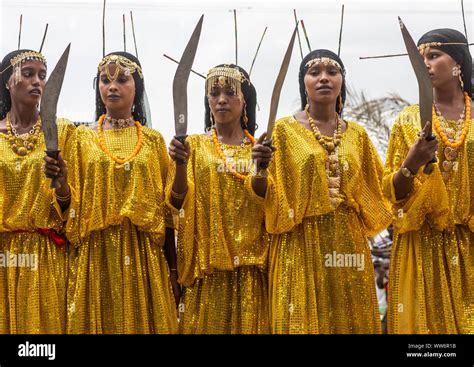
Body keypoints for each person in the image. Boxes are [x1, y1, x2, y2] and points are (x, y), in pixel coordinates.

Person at [252, 49, 392, 333]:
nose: (323, 78)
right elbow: (262, 194)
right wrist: (260, 167)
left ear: (342, 80)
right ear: (303, 82)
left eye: (332, 72)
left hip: (348, 244)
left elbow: (379, 191)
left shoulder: (358, 135)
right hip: (299, 242)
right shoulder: (281, 131)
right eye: (314, 72)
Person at [46, 52, 179, 333]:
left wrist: (174, 270)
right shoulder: (81, 137)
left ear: (137, 87)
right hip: (96, 255)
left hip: (143, 255)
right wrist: (61, 182)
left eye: (122, 79)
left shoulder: (154, 141)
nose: (112, 86)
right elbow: (68, 206)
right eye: (105, 80)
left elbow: (168, 214)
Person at [382, 28, 473, 334]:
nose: (426, 64)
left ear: (458, 62)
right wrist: (412, 162)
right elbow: (392, 194)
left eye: (434, 56)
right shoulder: (408, 120)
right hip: (423, 244)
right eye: (420, 59)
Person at [167, 64, 270, 334]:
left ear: (245, 98)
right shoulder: (194, 146)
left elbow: (269, 201)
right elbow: (176, 202)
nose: (221, 99)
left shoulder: (260, 149)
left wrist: (261, 167)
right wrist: (180, 164)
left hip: (251, 272)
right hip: (207, 273)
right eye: (214, 93)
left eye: (230, 92)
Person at [0, 49, 75, 333]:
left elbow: (74, 209)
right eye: (28, 74)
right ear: (8, 81)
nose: (37, 82)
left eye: (42, 76)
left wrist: (62, 183)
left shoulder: (64, 132)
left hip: (47, 256)